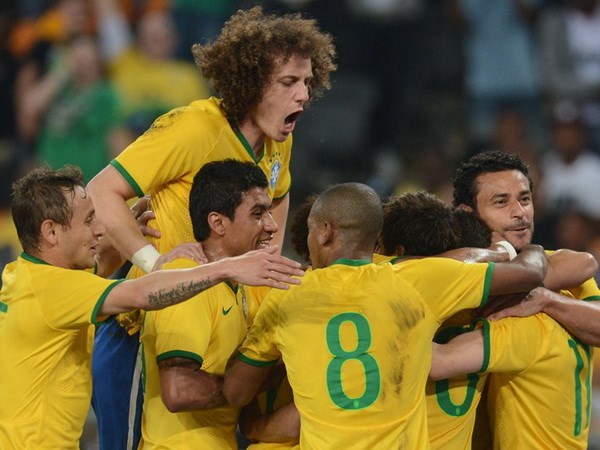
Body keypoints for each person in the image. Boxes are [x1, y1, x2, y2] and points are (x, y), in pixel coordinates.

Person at [87, 6, 336, 449]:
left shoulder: (281, 142)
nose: (303, 95)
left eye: (307, 82)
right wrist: (155, 264)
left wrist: (269, 273)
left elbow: (277, 201)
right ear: (251, 81)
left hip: (220, 326)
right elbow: (101, 191)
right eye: (288, 82)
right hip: (144, 328)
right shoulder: (194, 126)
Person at [223, 182, 547, 449]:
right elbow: (529, 274)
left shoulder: (287, 295)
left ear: (324, 232)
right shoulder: (416, 281)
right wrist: (524, 247)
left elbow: (236, 392)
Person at [0, 165, 304, 449]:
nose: (101, 231)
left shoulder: (28, 276)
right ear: (51, 232)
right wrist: (225, 269)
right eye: (89, 220)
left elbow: (96, 274)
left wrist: (125, 235)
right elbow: (142, 294)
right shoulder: (53, 289)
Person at [424, 150, 600, 448]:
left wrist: (547, 300)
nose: (519, 211)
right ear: (468, 213)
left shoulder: (560, 278)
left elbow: (584, 263)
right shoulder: (446, 272)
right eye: (501, 202)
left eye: (525, 198)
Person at [140, 160, 279, 448]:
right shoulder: (186, 283)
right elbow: (179, 390)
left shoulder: (235, 285)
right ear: (218, 223)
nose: (272, 225)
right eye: (257, 214)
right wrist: (249, 384)